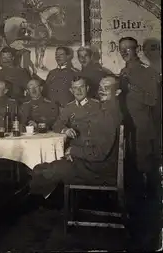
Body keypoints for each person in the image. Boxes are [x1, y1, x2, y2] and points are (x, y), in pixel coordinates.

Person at [29, 76, 121, 200]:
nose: (101, 90)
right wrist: (72, 145)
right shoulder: (108, 110)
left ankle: (35, 205)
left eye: (107, 88)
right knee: (44, 169)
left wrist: (73, 151)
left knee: (41, 171)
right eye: (100, 87)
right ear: (71, 90)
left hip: (97, 169)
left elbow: (99, 153)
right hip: (91, 162)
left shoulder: (105, 112)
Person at [118, 36, 160, 197]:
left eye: (128, 48)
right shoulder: (123, 71)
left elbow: (153, 100)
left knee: (144, 164)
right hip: (127, 125)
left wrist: (131, 88)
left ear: (137, 49)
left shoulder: (147, 72)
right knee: (129, 163)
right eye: (121, 49)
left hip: (141, 125)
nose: (124, 52)